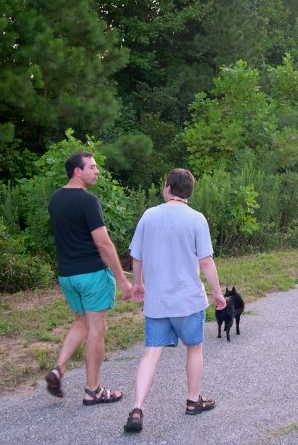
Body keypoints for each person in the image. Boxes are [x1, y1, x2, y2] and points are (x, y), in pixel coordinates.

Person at [124, 168, 226, 433]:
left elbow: (137, 256)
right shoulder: (196, 219)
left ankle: (137, 407)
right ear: (189, 193)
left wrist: (138, 283)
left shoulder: (149, 215)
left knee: (151, 352)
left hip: (158, 301)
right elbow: (205, 260)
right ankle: (193, 400)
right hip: (188, 301)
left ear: (167, 188)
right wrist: (216, 291)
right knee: (194, 348)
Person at [45, 151, 132, 406]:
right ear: (77, 171)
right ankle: (93, 390)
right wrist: (123, 279)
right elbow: (103, 244)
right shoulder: (88, 201)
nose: (97, 171)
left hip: (67, 275)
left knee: (81, 321)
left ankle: (58, 369)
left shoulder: (55, 199)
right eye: (92, 167)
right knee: (97, 328)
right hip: (92, 274)